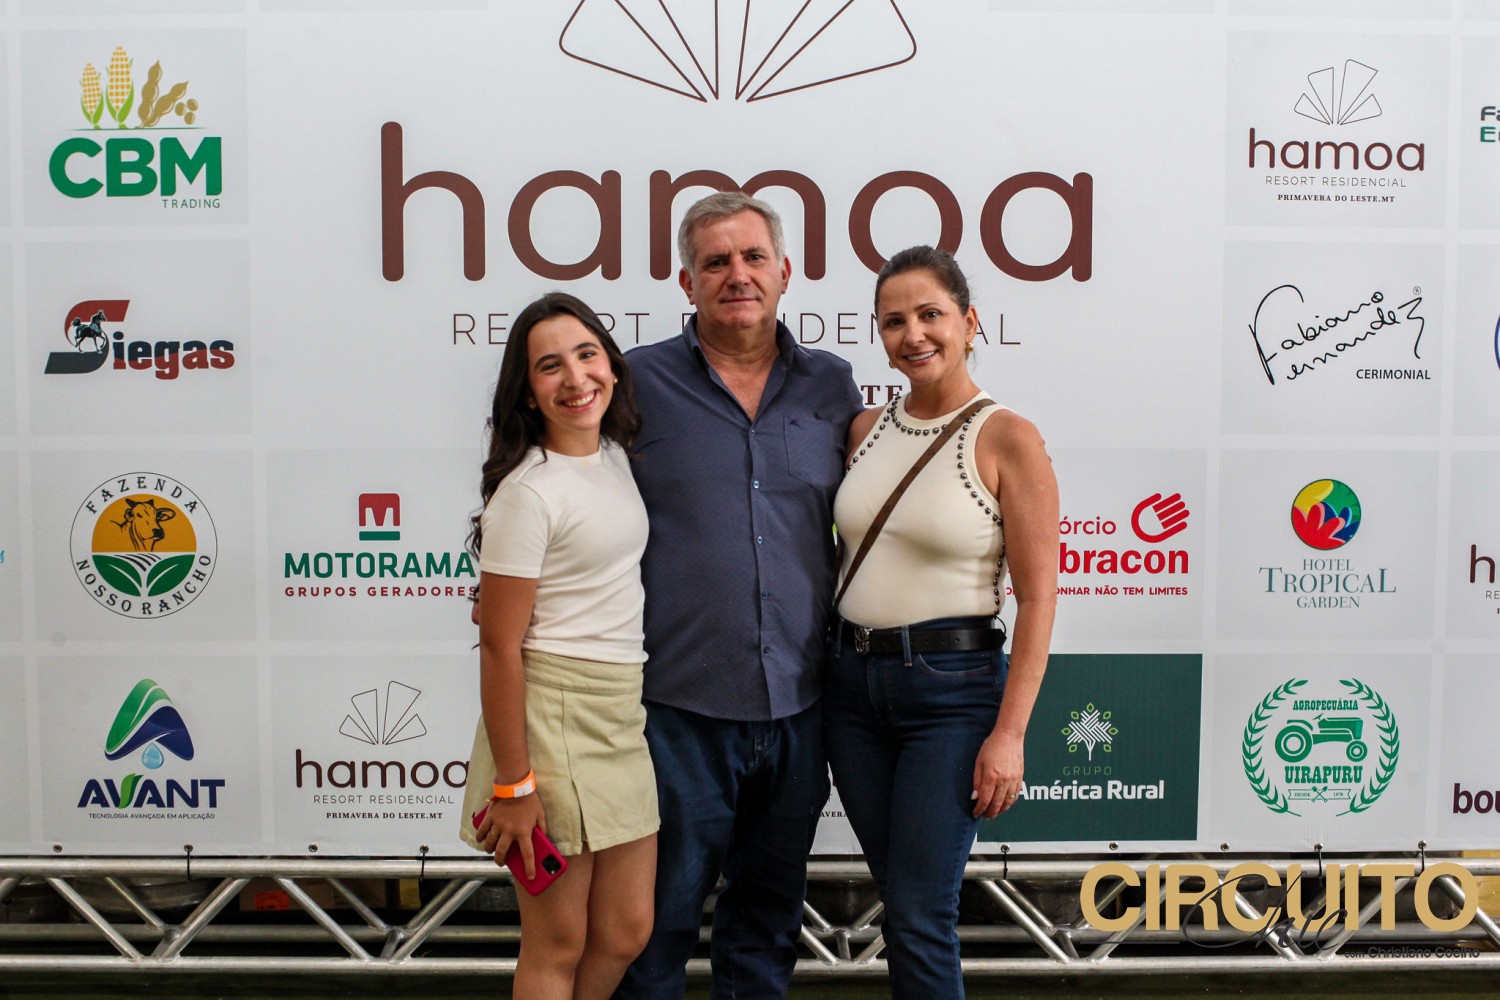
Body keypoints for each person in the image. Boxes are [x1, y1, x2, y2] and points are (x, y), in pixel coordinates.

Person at [613, 192, 863, 999]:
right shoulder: (633, 381)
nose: (737, 275)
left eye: (753, 257)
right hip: (676, 707)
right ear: (686, 282)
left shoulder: (831, 384)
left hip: (801, 702)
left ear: (785, 271)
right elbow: (566, 487)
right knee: (654, 927)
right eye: (715, 262)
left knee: (765, 926)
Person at [824, 246, 1059, 998]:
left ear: (969, 321)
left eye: (931, 315)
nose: (913, 334)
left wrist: (1010, 735)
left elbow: (1039, 598)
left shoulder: (1007, 437)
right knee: (903, 900)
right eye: (894, 321)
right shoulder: (863, 430)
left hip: (951, 696)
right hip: (849, 690)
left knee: (922, 912)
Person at [465, 292, 659, 1000]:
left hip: (620, 712)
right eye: (550, 367)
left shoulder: (613, 457)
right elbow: (499, 648)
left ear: (612, 364)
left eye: (587, 355)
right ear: (527, 392)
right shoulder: (528, 492)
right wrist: (514, 787)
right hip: (552, 716)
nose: (576, 379)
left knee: (626, 931)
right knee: (558, 942)